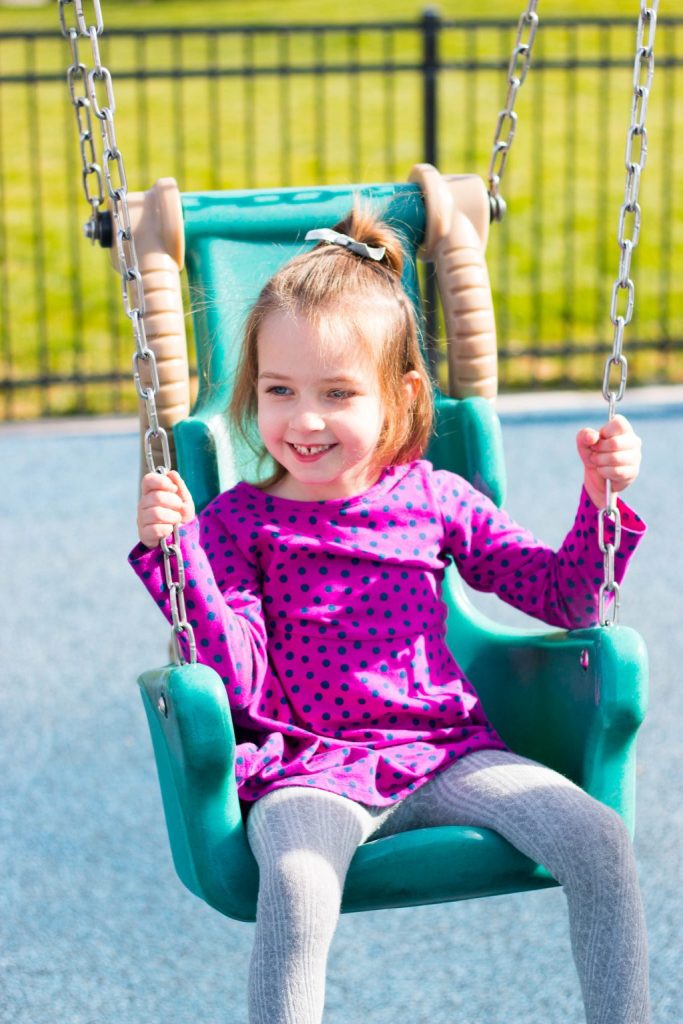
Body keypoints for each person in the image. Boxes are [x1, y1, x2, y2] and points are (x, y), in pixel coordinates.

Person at [129, 206, 649, 1024]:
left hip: (446, 752)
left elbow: (562, 597)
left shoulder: (434, 498)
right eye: (278, 391)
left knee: (597, 840)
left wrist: (599, 502)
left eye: (336, 393)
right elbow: (236, 679)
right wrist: (179, 555)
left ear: (400, 394)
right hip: (310, 763)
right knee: (296, 882)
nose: (303, 420)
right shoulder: (235, 523)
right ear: (252, 392)